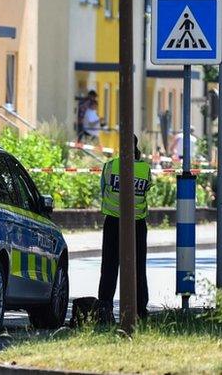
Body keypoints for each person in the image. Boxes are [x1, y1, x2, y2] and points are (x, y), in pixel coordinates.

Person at [98, 135, 152, 319]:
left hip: (113, 222)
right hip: (137, 223)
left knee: (109, 267)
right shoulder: (145, 169)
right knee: (138, 267)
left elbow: (102, 188)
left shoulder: (110, 166)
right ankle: (140, 310)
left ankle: (105, 309)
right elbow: (147, 189)